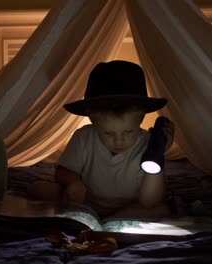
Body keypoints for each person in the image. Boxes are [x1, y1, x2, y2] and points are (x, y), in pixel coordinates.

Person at [27, 60, 175, 218]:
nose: (119, 141)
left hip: (131, 206)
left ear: (140, 120)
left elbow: (148, 201)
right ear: (93, 121)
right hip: (87, 202)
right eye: (108, 133)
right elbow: (62, 172)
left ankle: (110, 219)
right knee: (39, 189)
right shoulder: (83, 138)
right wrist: (73, 182)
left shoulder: (147, 144)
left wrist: (158, 154)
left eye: (128, 132)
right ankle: (101, 218)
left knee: (159, 209)